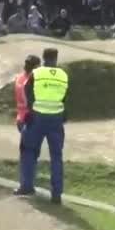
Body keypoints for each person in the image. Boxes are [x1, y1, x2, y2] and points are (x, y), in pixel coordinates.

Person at [16, 48, 69, 204]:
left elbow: (27, 90)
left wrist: (31, 108)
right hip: (56, 118)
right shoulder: (63, 75)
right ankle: (56, 194)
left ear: (44, 58)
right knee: (56, 156)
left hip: (37, 117)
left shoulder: (37, 73)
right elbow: (65, 96)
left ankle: (27, 186)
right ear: (56, 58)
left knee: (29, 150)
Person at [14, 55, 40, 135]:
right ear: (36, 67)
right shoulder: (32, 80)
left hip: (20, 118)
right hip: (29, 119)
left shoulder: (19, 77)